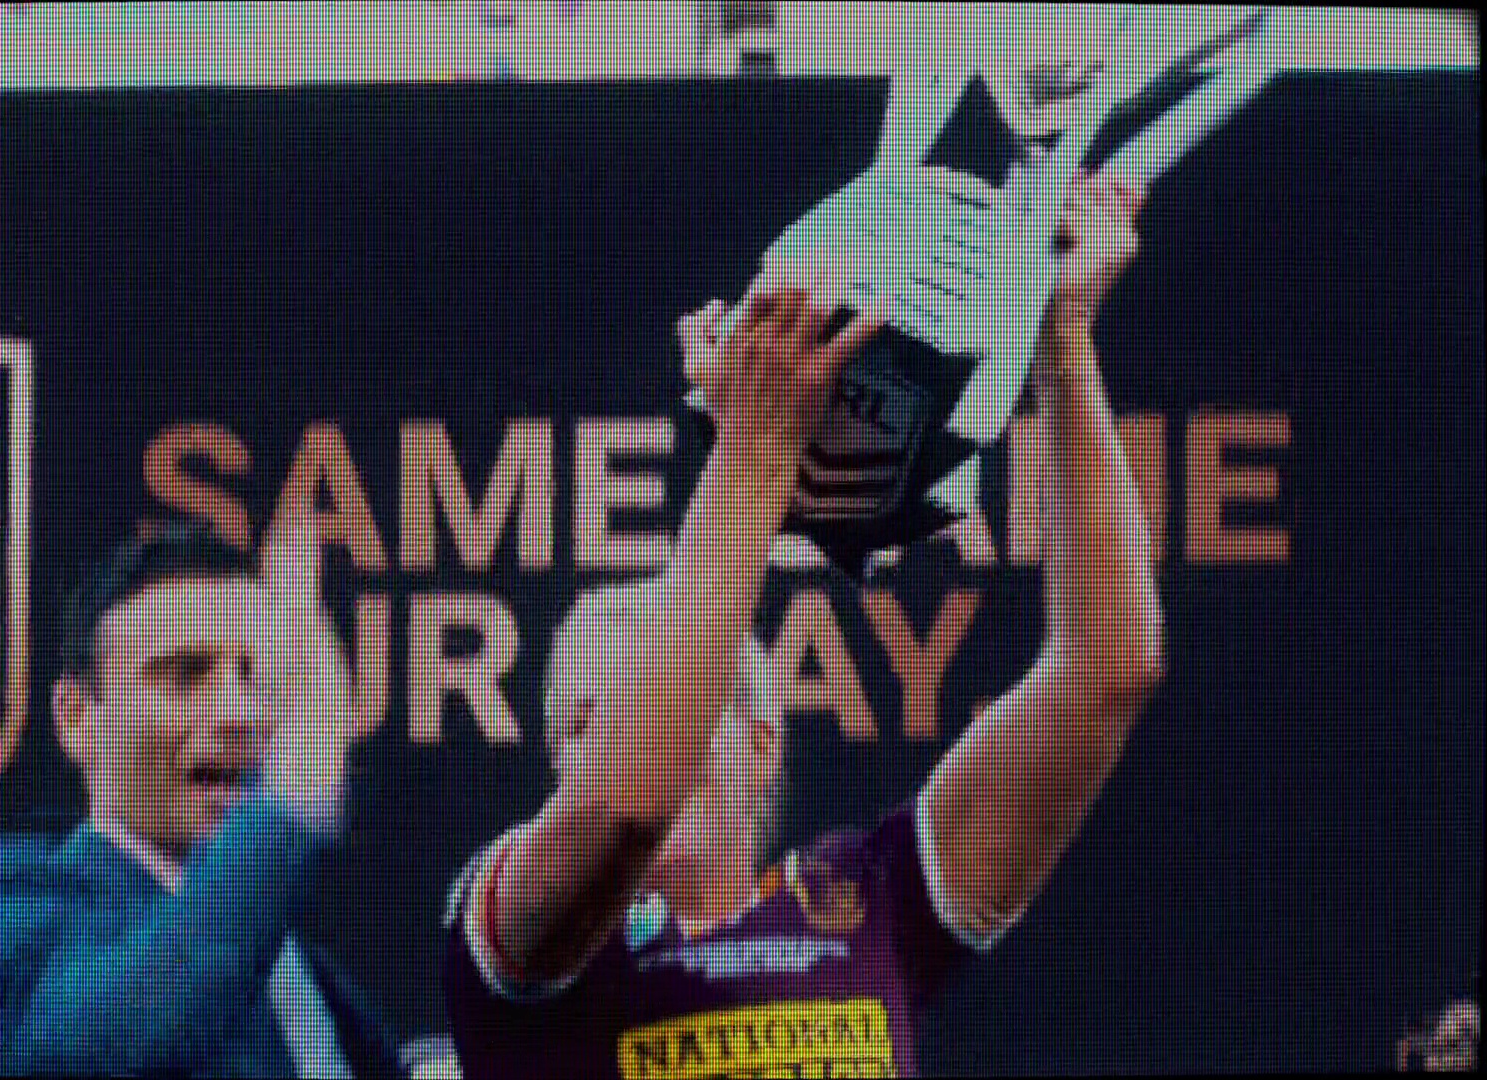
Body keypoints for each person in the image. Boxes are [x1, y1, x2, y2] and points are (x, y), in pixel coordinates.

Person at [442, 170, 1165, 1079]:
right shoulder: (508, 941)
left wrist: (1060, 340)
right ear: (556, 764)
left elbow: (1107, 671)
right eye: (588, 719)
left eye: (672, 703)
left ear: (763, 737)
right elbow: (628, 806)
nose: (623, 732)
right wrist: (754, 452)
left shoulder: (875, 903)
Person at [0, 499, 405, 1077]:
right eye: (184, 674)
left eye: (265, 679)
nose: (241, 714)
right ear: (76, 717)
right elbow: (153, 1018)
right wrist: (294, 784)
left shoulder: (300, 967)